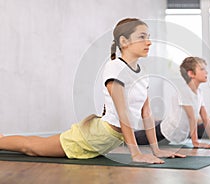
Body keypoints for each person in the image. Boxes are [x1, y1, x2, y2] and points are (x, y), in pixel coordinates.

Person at [0, 18, 185, 164]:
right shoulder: (114, 67)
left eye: (149, 36)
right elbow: (123, 113)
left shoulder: (141, 73)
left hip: (106, 141)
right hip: (96, 136)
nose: (149, 42)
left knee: (37, 146)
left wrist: (156, 149)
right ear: (124, 41)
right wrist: (135, 153)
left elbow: (147, 112)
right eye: (142, 37)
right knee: (32, 148)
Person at [135, 57, 210, 147]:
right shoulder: (184, 91)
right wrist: (195, 141)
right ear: (191, 74)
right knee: (136, 139)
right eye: (202, 69)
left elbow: (205, 118)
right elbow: (191, 117)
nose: (206, 72)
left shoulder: (199, 93)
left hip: (178, 136)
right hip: (165, 133)